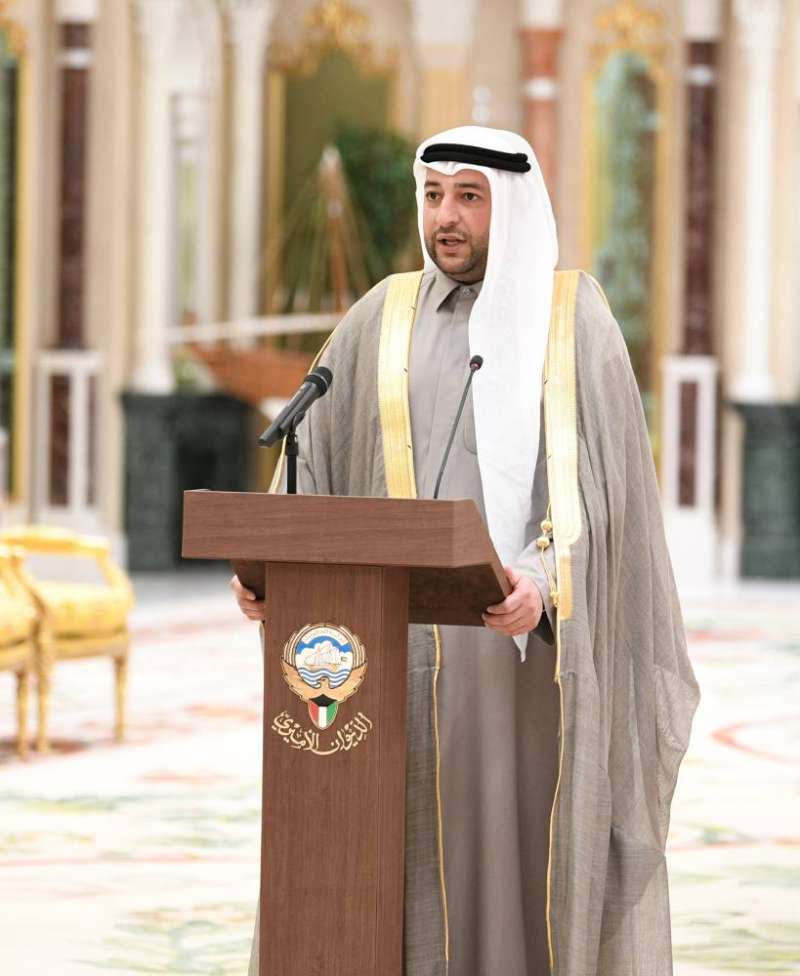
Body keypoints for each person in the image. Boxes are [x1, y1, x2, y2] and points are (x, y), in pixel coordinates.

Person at [232, 126, 699, 976]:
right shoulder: (380, 315)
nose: (446, 216)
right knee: (385, 847)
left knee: (511, 851)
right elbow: (316, 450)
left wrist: (544, 581)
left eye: (469, 198)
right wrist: (274, 570)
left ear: (509, 207)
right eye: (434, 195)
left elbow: (608, 492)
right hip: (387, 649)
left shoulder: (572, 320)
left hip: (515, 648)